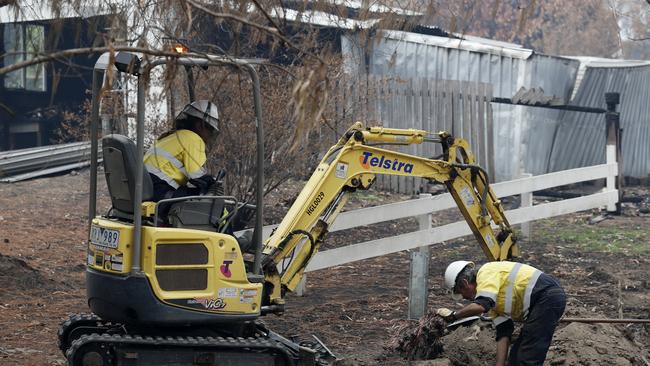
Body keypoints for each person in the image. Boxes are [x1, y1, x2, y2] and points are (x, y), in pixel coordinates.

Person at [439, 260, 566, 366]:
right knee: (515, 358)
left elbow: (481, 306)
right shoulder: (493, 301)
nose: (464, 298)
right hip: (543, 301)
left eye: (461, 294)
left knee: (528, 357)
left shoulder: (486, 272)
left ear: (465, 284)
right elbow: (504, 332)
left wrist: (454, 316)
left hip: (547, 296)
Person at [144, 100, 220, 202]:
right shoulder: (193, 139)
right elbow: (197, 176)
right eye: (210, 130)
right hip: (159, 189)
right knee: (204, 201)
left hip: (145, 186)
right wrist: (213, 182)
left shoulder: (170, 136)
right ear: (200, 125)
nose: (210, 135)